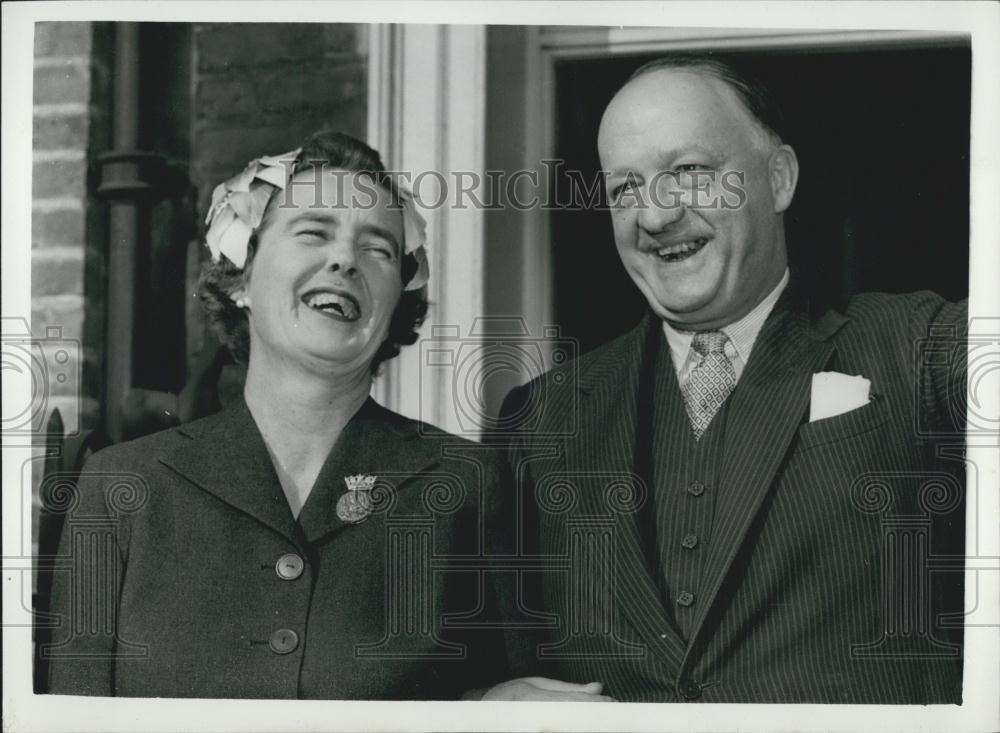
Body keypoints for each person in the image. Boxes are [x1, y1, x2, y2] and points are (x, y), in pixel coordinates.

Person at [497, 55, 967, 703]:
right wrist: (484, 699)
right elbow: (467, 651)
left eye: (687, 172)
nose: (655, 216)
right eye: (625, 189)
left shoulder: (919, 346)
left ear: (778, 179)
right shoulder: (540, 417)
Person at [45, 131, 511, 699]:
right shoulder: (122, 487)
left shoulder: (468, 485)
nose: (345, 259)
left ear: (397, 304)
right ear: (240, 275)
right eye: (314, 232)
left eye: (379, 249)